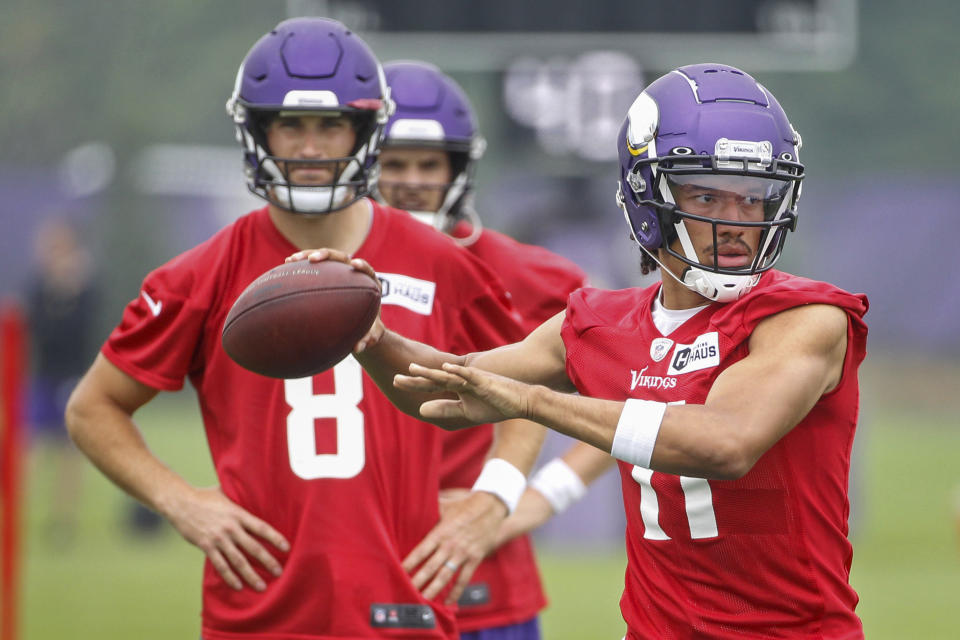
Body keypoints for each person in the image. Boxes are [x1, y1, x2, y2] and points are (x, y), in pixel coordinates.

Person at [291, 63, 870, 638]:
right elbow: (444, 387)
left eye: (754, 197)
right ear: (648, 196)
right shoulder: (601, 322)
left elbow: (724, 443)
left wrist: (534, 403)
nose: (738, 221)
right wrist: (369, 333)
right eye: (708, 196)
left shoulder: (804, 318)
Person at [64, 17, 540, 640]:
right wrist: (181, 501)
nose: (310, 147)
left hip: (404, 608)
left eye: (330, 124)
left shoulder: (440, 262)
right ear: (258, 131)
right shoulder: (201, 274)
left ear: (364, 130)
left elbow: (527, 392)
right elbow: (93, 408)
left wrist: (493, 499)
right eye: (290, 125)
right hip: (258, 610)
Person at [375, 60, 589, 639]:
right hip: (351, 568)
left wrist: (538, 497)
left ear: (459, 168)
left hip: (482, 578)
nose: (412, 179)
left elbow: (637, 393)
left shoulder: (527, 273)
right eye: (393, 163)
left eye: (429, 163)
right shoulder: (326, 275)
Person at [23, 218, 99, 547]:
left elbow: (82, 331)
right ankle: (18, 514)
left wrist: (70, 292)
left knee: (71, 451)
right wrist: (56, 291)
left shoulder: (86, 288)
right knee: (30, 448)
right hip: (41, 377)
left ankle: (62, 519)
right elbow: (36, 330)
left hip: (73, 376)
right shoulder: (39, 287)